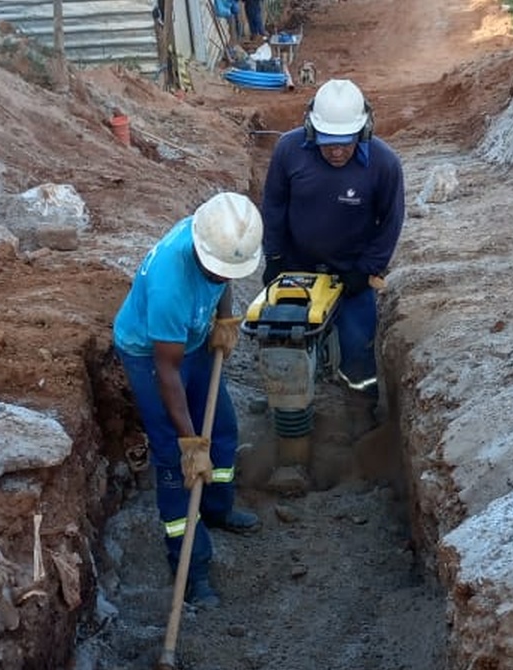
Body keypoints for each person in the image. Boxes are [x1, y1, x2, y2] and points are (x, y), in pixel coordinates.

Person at [112, 192, 263, 608]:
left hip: (190, 341)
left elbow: (224, 277)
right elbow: (167, 372)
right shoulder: (169, 285)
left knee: (223, 428)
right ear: (200, 250)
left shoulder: (221, 239)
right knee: (175, 464)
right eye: (215, 270)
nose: (221, 276)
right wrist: (189, 442)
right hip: (151, 355)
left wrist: (225, 319)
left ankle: (216, 508)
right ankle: (191, 567)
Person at [260, 78, 405, 405]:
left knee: (357, 346)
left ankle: (360, 409)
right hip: (297, 269)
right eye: (327, 142)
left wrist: (367, 269)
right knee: (285, 341)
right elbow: (273, 206)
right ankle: (293, 405)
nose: (337, 151)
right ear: (311, 130)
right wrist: (275, 257)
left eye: (345, 142)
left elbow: (391, 223)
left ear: (364, 131)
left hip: (351, 273)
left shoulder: (384, 165)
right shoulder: (288, 151)